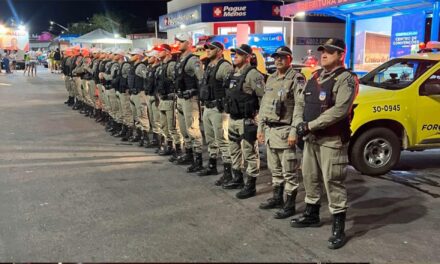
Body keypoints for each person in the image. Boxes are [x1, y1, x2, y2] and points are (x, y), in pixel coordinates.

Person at [290, 38, 359, 250]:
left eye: (330, 51)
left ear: (340, 55)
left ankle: (338, 227)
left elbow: (340, 110)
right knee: (310, 177)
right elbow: (300, 104)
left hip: (331, 140)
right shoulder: (315, 76)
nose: (324, 54)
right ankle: (311, 214)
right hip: (311, 138)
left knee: (333, 181)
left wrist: (310, 125)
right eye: (323, 51)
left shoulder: (347, 79)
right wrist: (297, 128)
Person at [257, 46, 305, 219]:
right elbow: (264, 106)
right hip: (270, 132)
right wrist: (260, 128)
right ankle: (277, 198)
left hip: (285, 132)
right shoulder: (271, 78)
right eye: (276, 57)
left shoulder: (296, 79)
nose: (278, 60)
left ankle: (290, 205)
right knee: (274, 169)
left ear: (290, 59)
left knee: (289, 171)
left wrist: (294, 132)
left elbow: (300, 107)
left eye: (283, 57)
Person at [222, 44, 265, 199]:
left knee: (249, 153)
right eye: (235, 54)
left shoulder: (253, 74)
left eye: (239, 54)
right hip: (233, 119)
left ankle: (251, 185)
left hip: (246, 120)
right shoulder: (234, 73)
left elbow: (263, 96)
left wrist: (259, 118)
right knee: (234, 150)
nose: (235, 56)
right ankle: (237, 178)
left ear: (248, 57)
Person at [197, 41, 234, 184]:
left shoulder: (224, 66)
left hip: (219, 109)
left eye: (211, 49)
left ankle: (228, 172)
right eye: (207, 48)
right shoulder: (209, 65)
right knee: (211, 139)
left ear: (219, 51)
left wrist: (226, 105)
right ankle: (212, 166)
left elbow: (230, 88)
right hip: (208, 107)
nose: (208, 50)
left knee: (223, 141)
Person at [173, 32, 205, 173]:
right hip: (180, 98)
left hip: (190, 99)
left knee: (193, 129)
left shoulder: (193, 60)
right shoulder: (181, 59)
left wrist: (199, 96)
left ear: (188, 43)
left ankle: (198, 160)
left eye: (181, 41)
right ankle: (189, 154)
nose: (178, 43)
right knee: (183, 129)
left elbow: (201, 80)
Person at [154, 44, 184, 156]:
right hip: (163, 99)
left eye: (160, 51)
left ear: (167, 52)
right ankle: (170, 147)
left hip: (171, 99)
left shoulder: (171, 65)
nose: (158, 53)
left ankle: (179, 150)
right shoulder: (162, 65)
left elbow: (176, 81)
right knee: (164, 126)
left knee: (173, 127)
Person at [127, 48, 150, 145]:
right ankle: (140, 135)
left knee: (142, 116)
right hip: (133, 94)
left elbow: (148, 78)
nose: (130, 57)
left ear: (138, 56)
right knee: (136, 116)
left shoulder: (140, 67)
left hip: (139, 94)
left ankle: (146, 138)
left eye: (133, 55)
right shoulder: (134, 66)